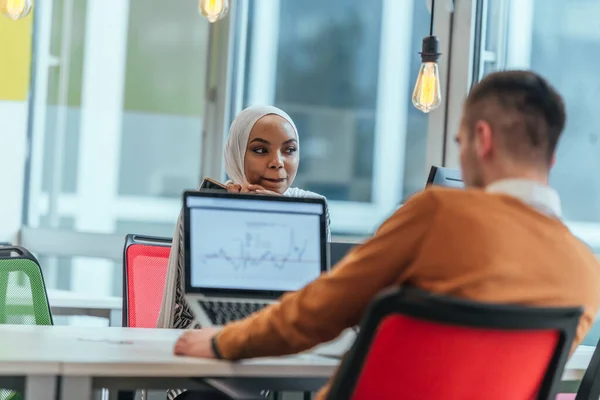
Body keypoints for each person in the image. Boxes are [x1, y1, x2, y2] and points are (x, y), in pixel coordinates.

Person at [173, 70, 600, 398]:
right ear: (553, 156)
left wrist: (222, 341)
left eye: (461, 140)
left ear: (481, 139)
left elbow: (317, 311)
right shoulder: (586, 274)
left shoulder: (437, 212)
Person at [157, 105, 329, 400]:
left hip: (283, 342)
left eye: (289, 151)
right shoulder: (209, 206)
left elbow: (308, 297)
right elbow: (186, 308)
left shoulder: (311, 208)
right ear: (237, 154)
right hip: (208, 351)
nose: (278, 163)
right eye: (261, 151)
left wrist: (278, 215)